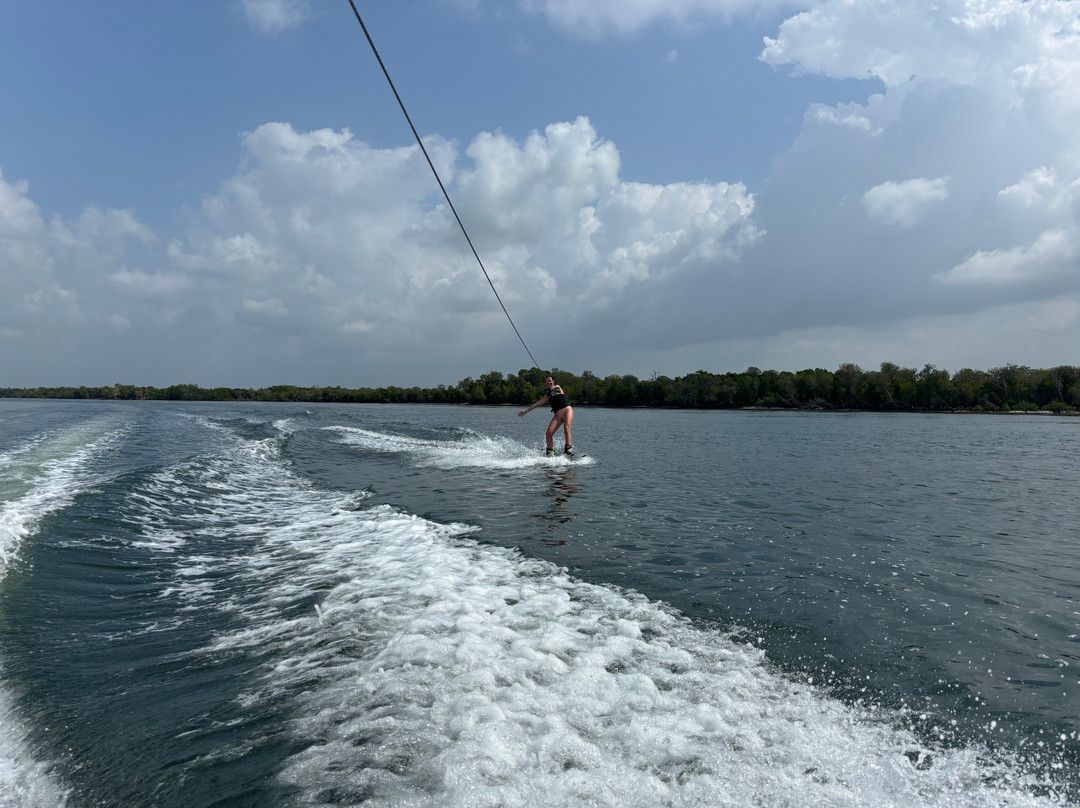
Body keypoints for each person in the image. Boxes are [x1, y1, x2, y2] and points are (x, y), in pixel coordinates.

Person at [519, 375, 574, 456]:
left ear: (553, 381)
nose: (548, 382)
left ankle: (568, 450)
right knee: (548, 433)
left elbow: (557, 389)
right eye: (547, 381)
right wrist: (526, 411)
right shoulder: (547, 395)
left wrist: (553, 388)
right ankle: (550, 452)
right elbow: (537, 404)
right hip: (558, 413)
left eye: (550, 381)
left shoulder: (558, 387)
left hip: (567, 410)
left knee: (566, 429)